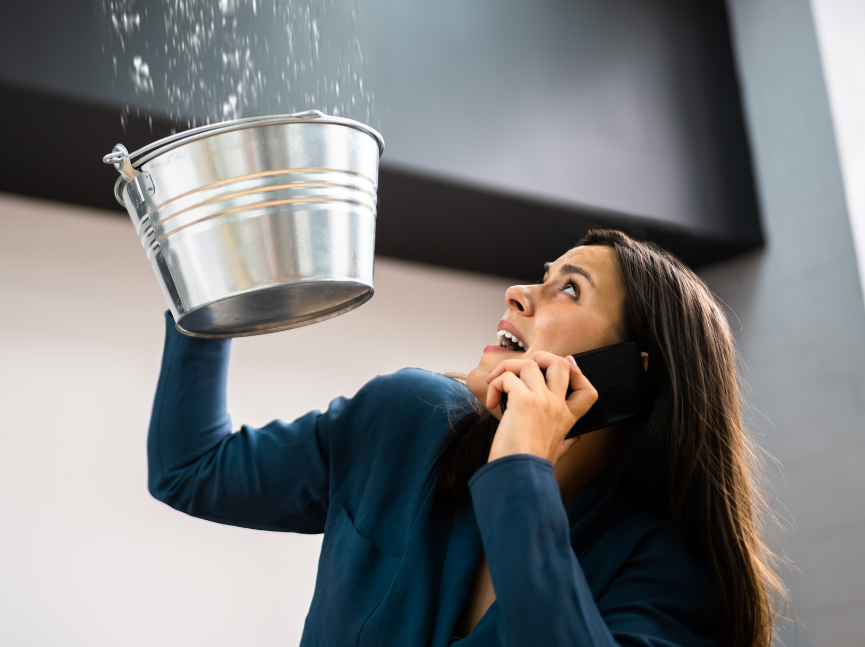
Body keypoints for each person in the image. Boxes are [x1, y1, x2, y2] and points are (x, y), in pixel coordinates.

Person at [147, 229, 787, 646]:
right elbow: (191, 468)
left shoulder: (662, 577)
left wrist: (520, 471)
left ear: (629, 372)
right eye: (542, 274)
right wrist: (203, 289)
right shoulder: (405, 417)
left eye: (568, 288)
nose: (518, 293)